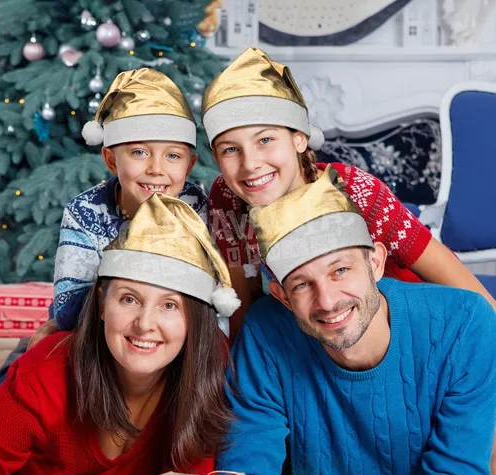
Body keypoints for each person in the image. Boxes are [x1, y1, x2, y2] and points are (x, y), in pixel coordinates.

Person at [217, 167, 496, 475]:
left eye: (341, 270)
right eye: (302, 284)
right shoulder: (264, 331)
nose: (328, 301)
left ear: (376, 262)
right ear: (282, 296)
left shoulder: (465, 322)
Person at [201, 46, 496, 339]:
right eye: (230, 149)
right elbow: (244, 300)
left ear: (299, 139)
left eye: (265, 139)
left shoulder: (355, 190)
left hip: (416, 322)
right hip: (326, 324)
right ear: (215, 157)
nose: (250, 164)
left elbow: (459, 284)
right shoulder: (227, 197)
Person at [0, 193, 241, 475]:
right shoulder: (45, 372)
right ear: (101, 302)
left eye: (169, 305)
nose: (145, 324)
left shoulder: (210, 363)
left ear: (195, 322)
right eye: (129, 299)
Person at [0, 67, 207, 385]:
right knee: (32, 365)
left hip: (165, 334)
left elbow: (206, 297)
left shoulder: (198, 206)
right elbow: (69, 308)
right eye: (139, 152)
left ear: (189, 165)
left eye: (173, 156)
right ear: (110, 160)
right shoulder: (84, 211)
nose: (156, 169)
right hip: (89, 332)